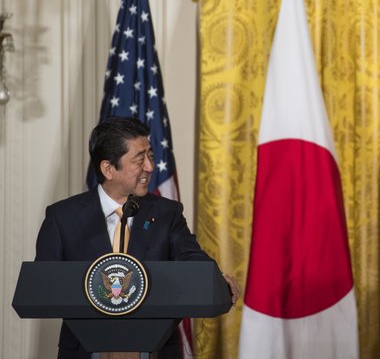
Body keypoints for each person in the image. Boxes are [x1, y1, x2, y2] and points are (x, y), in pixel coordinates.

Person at [35, 116, 240, 359]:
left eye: (150, 156)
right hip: (85, 351)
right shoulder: (62, 217)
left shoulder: (167, 213)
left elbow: (192, 259)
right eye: (139, 158)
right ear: (108, 169)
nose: (150, 167)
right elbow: (42, 285)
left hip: (154, 351)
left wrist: (216, 280)